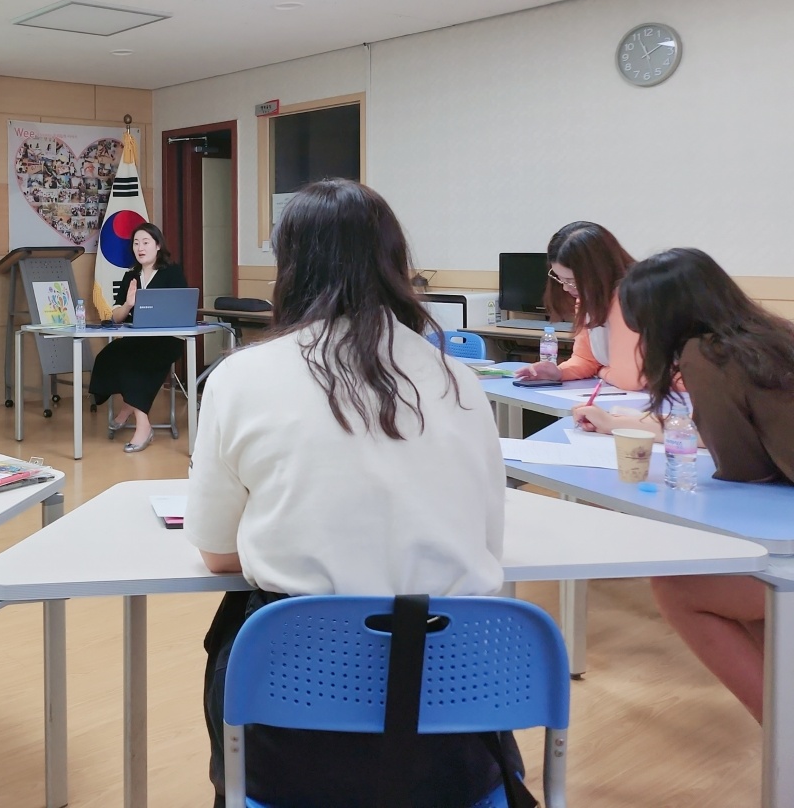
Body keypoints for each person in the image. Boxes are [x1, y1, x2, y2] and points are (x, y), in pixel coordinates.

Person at [187, 179, 516, 808]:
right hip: (451, 723)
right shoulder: (458, 379)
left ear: (289, 267)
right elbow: (486, 544)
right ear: (395, 264)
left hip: (296, 727)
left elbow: (217, 554)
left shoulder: (241, 377)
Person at [573, 248, 794, 721]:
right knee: (751, 593)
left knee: (679, 589)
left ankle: (784, 739)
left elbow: (742, 468)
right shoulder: (771, 336)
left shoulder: (707, 353)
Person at [87, 222, 188, 453]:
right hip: (138, 339)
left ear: (158, 245)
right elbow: (117, 318)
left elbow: (181, 309)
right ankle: (128, 407)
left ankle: (142, 425)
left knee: (136, 364)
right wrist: (128, 304)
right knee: (109, 356)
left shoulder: (172, 273)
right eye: (136, 243)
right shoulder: (130, 276)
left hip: (167, 340)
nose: (140, 248)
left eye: (145, 242)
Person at [515, 221, 643, 390]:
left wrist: (602, 371)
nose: (566, 288)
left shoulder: (627, 297)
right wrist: (559, 372)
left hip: (675, 398)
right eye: (560, 279)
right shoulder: (588, 300)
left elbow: (629, 380)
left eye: (573, 282)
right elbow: (586, 359)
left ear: (599, 272)